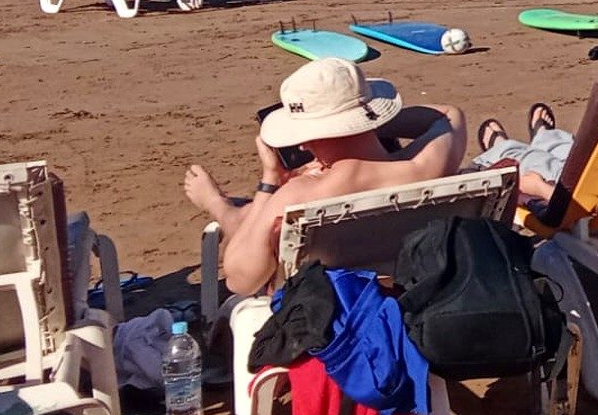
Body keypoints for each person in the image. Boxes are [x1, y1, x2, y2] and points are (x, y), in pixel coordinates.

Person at [182, 59, 467, 296]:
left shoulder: (299, 194)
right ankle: (223, 208)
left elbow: (243, 279)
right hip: (412, 298)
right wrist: (368, 123)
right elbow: (448, 115)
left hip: (326, 318)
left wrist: (270, 181)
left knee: (249, 228)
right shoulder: (425, 165)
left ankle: (219, 207)